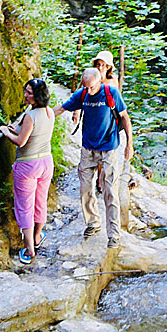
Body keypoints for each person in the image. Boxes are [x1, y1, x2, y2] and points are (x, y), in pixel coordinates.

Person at [54, 67, 134, 248]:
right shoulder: (82, 94)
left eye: (92, 87)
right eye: (86, 87)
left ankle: (114, 234)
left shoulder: (111, 93)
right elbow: (61, 108)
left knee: (110, 190)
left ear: (99, 82)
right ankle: (93, 223)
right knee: (85, 188)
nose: (89, 91)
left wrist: (129, 144)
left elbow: (125, 118)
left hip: (108, 148)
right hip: (87, 148)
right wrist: (39, 115)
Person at [0, 78, 55, 264]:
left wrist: (6, 132)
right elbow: (32, 132)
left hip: (28, 165)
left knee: (25, 206)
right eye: (26, 91)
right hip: (46, 162)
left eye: (29, 93)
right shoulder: (48, 113)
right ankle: (38, 236)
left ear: (38, 95)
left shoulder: (31, 116)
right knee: (40, 202)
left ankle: (29, 249)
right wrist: (16, 127)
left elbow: (21, 141)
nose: (25, 95)